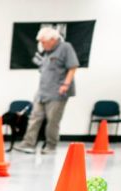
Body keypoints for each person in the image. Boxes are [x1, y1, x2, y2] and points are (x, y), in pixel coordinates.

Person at [15, 27, 79, 155]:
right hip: (42, 91)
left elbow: (73, 66)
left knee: (52, 121)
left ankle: (51, 146)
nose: (41, 45)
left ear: (53, 39)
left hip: (58, 92)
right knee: (34, 118)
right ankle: (28, 144)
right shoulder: (47, 51)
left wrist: (65, 84)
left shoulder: (65, 47)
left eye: (43, 42)